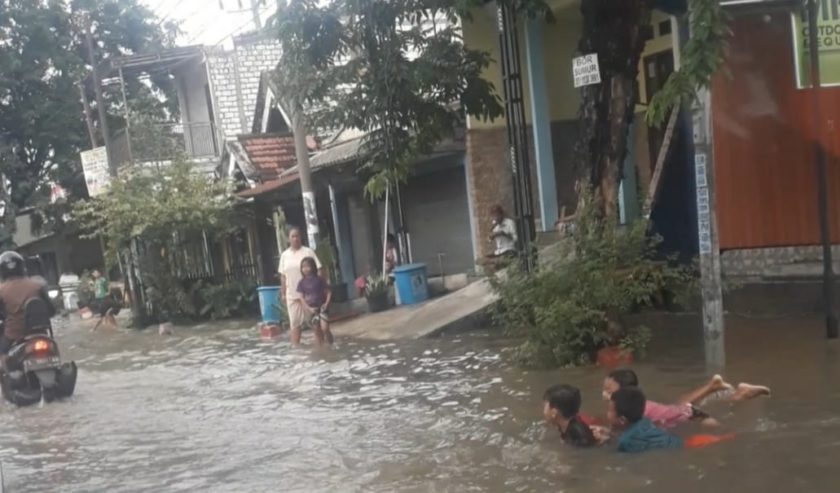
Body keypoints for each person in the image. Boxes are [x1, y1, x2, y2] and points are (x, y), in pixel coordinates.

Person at [603, 368, 771, 429]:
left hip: (688, 415)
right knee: (681, 405)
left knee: (728, 430)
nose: (604, 394)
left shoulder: (631, 410)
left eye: (608, 390)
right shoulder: (639, 404)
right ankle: (733, 393)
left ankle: (740, 396)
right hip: (686, 412)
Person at [0, 251, 55, 355]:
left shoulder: (1, 290)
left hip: (14, 334)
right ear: (22, 267)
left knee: (1, 352)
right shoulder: (38, 285)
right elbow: (51, 311)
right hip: (41, 333)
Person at [279, 227, 322, 344]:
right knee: (295, 325)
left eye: (297, 236)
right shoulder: (284, 255)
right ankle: (296, 353)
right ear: (288, 239)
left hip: (309, 295)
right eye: (293, 236)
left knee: (315, 324)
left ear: (301, 237)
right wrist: (283, 293)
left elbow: (319, 269)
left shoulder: (308, 252)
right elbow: (283, 276)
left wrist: (318, 288)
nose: (295, 238)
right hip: (292, 295)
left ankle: (321, 348)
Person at [609, 386, 683, 453]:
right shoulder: (644, 420)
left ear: (622, 420)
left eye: (610, 410)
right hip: (676, 442)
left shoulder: (625, 442)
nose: (607, 413)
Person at [297, 257, 334, 345]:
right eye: (303, 267)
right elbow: (301, 298)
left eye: (307, 266)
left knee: (325, 328)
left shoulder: (319, 279)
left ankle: (331, 344)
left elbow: (329, 292)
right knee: (317, 331)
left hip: (322, 308)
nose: (305, 269)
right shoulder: (301, 282)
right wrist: (308, 308)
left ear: (313, 267)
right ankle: (321, 349)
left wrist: (326, 303)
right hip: (311, 310)